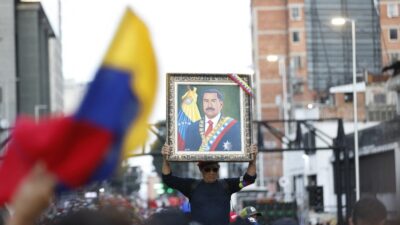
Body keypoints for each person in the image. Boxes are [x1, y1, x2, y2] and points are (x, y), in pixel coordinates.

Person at [161, 144, 258, 225]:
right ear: (201, 170)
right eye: (207, 169)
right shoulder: (191, 186)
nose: (211, 172)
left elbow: (248, 180)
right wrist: (165, 159)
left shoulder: (227, 185)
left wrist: (252, 161)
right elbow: (168, 179)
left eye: (215, 169)